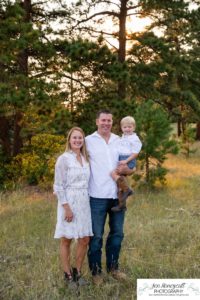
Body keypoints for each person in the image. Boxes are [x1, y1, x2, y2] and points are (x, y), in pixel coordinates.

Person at [86, 110, 128, 286]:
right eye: (103, 120)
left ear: (112, 122)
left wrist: (125, 170)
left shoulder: (120, 140)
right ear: (97, 121)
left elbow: (130, 167)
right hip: (97, 196)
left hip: (118, 195)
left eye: (109, 121)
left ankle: (113, 268)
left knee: (117, 234)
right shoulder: (88, 141)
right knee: (96, 236)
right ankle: (96, 273)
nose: (106, 123)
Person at [53, 127, 93, 289]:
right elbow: (58, 185)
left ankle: (77, 272)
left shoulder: (85, 158)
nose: (77, 140)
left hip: (84, 202)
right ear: (69, 140)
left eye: (80, 138)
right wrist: (66, 208)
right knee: (67, 239)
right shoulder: (64, 159)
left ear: (83, 140)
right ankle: (68, 275)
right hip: (68, 202)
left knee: (84, 239)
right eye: (74, 138)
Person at [111, 116, 142, 212]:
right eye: (125, 127)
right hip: (122, 158)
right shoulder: (123, 137)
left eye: (129, 127)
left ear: (134, 127)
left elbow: (135, 153)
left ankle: (128, 190)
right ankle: (122, 205)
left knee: (114, 174)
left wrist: (126, 161)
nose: (127, 129)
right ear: (121, 128)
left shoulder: (134, 139)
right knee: (120, 185)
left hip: (128, 159)